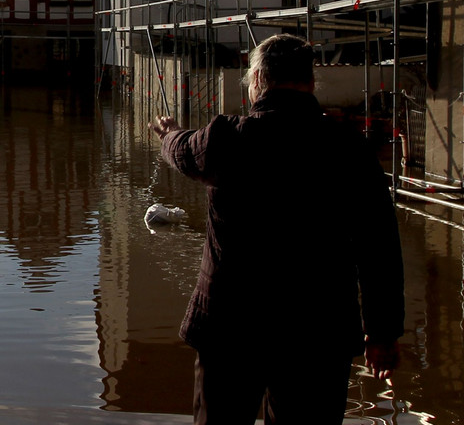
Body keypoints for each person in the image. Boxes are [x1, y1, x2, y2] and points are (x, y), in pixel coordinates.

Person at [149, 34, 404, 425]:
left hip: (231, 330)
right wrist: (381, 333)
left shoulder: (228, 138)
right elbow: (379, 245)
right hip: (319, 333)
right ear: (311, 83)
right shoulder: (348, 148)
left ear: (257, 82)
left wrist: (167, 133)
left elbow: (183, 151)